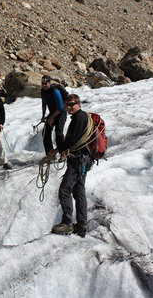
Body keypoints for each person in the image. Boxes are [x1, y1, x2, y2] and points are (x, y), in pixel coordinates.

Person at [48, 94, 91, 237]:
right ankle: (81, 224)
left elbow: (71, 140)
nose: (69, 107)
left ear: (78, 103)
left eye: (72, 104)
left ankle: (67, 223)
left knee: (65, 190)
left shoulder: (79, 118)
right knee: (78, 191)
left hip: (78, 160)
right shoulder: (82, 117)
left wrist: (57, 149)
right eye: (67, 105)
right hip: (83, 158)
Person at [40, 75, 67, 160]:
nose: (44, 85)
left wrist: (51, 118)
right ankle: (50, 154)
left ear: (49, 82)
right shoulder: (43, 91)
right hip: (53, 112)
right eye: (42, 83)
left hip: (61, 112)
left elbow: (60, 107)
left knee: (58, 132)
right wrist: (43, 117)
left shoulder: (55, 91)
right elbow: (44, 104)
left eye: (46, 83)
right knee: (45, 132)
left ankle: (63, 153)